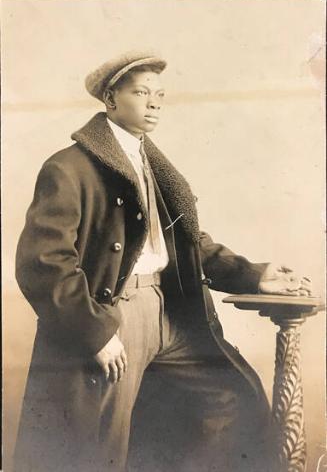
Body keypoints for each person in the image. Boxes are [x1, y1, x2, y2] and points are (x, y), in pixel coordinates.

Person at [14, 51, 312, 472]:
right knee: (100, 447)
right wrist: (95, 331)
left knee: (229, 398)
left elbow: (189, 244)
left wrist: (254, 275)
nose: (154, 102)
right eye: (141, 91)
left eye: (160, 94)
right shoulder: (69, 168)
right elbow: (43, 262)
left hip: (170, 311)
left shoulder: (155, 166)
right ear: (110, 99)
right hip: (112, 313)